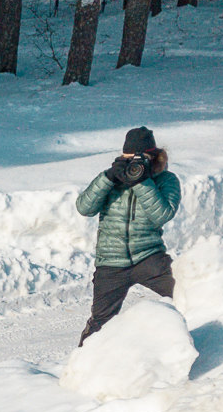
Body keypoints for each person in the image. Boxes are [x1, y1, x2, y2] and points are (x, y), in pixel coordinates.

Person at [74, 126, 182, 344]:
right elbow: (84, 208)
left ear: (153, 157)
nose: (134, 165)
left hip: (149, 257)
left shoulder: (166, 180)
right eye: (128, 158)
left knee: (188, 295)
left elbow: (161, 214)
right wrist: (107, 178)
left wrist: (142, 182)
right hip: (111, 262)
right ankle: (82, 368)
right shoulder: (112, 178)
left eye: (139, 159)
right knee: (100, 325)